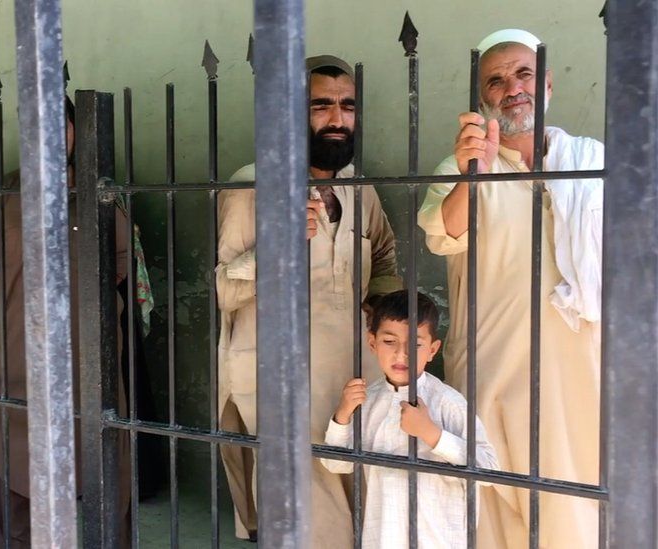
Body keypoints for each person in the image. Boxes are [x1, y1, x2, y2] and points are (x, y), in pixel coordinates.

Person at [417, 29, 603, 548]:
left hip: (579, 368)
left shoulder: (591, 162)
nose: (511, 88)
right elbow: (442, 234)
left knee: (578, 491)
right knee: (498, 497)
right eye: (495, 81)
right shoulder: (459, 169)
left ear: (545, 84)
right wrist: (472, 174)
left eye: (523, 73)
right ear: (483, 98)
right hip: (496, 367)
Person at [216, 55, 403, 546]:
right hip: (283, 378)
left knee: (362, 493)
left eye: (347, 105)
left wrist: (381, 321)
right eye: (321, 105)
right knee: (304, 504)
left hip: (355, 374)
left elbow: (382, 256)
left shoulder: (360, 190)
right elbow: (224, 290)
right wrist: (275, 245)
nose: (337, 119)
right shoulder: (252, 186)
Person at [0, 96, 131, 547]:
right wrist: (34, 308)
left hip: (90, 350)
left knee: (104, 455)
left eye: (58, 124)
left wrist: (76, 304)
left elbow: (118, 266)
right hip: (21, 351)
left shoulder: (99, 192)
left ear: (74, 130)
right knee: (13, 454)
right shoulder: (1, 196)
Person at [322, 290, 499, 548]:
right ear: (372, 343)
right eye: (389, 341)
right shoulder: (366, 400)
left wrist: (431, 434)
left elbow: (489, 471)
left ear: (432, 350)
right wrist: (343, 414)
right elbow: (337, 464)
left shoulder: (448, 403)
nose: (401, 354)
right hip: (383, 536)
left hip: (438, 538)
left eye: (415, 344)